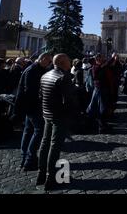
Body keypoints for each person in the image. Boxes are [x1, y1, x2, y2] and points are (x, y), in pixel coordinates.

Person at [36, 54, 77, 190]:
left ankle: (41, 174)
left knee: (45, 142)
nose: (70, 63)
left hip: (47, 113)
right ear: (62, 63)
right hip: (59, 116)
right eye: (68, 61)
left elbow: (41, 95)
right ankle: (51, 177)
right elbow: (68, 101)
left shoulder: (45, 75)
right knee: (55, 146)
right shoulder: (64, 77)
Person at [14, 53, 53, 171]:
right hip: (33, 106)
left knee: (28, 131)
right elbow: (31, 91)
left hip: (29, 106)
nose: (49, 63)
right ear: (42, 59)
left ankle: (25, 157)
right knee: (38, 131)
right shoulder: (33, 70)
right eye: (48, 61)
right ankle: (30, 160)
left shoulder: (35, 69)